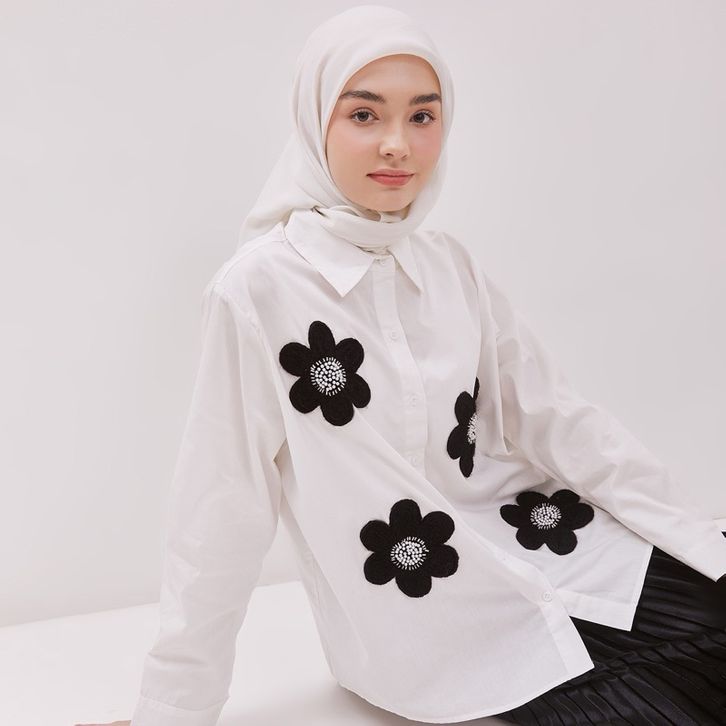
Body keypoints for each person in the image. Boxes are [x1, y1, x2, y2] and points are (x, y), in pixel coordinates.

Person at [79, 5, 726, 726]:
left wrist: (694, 533)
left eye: (422, 117)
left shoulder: (449, 267)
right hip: (430, 616)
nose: (397, 145)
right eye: (364, 115)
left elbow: (559, 421)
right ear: (314, 122)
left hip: (544, 542)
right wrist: (173, 709)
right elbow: (220, 507)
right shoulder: (257, 292)